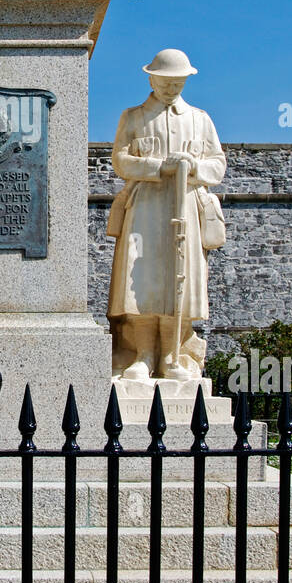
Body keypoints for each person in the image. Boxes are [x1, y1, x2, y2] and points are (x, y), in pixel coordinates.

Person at [107, 49, 226, 380]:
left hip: (186, 203)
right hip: (146, 203)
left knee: (180, 278)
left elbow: (218, 164)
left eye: (178, 82)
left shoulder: (200, 119)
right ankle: (141, 356)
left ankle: (172, 357)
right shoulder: (133, 117)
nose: (172, 88)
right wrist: (159, 167)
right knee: (141, 280)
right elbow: (120, 160)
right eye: (165, 81)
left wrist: (193, 168)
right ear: (151, 79)